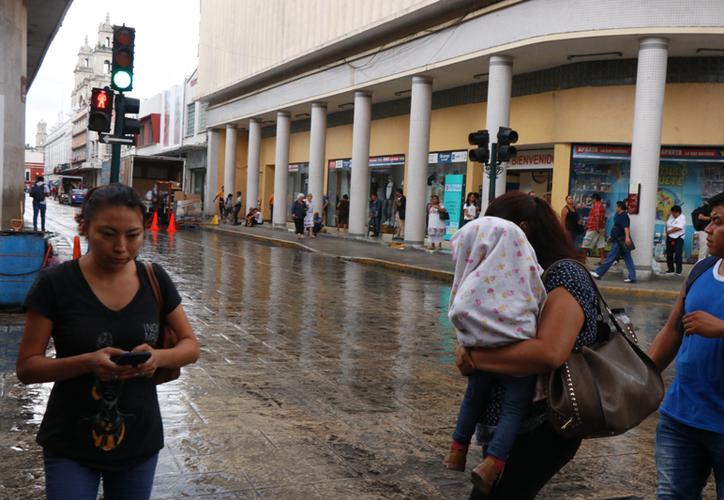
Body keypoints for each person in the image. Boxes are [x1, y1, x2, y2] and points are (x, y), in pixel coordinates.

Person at [16, 183, 200, 500]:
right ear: (83, 226)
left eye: (133, 235)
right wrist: (87, 362)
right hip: (70, 439)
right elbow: (28, 367)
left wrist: (158, 358)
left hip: (139, 440)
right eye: (107, 234)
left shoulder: (155, 279)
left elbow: (190, 346)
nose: (121, 247)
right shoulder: (55, 284)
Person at [454, 191, 599, 498]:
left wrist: (476, 359)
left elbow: (549, 352)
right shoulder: (514, 278)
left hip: (543, 425)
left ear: (520, 230)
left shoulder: (564, 274)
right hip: (509, 427)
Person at [445, 216, 547, 495]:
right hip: (519, 361)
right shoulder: (526, 268)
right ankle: (493, 463)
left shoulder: (473, 279)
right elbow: (541, 300)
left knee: (473, 399)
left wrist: (472, 341)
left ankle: (458, 449)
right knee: (514, 410)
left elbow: (457, 310)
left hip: (482, 354)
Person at [647, 191, 724, 499]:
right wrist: (643, 376)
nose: (707, 229)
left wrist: (721, 328)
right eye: (710, 221)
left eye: (717, 222)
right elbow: (672, 330)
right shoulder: (702, 270)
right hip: (681, 418)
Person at [590, 201, 636, 283]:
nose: (615, 208)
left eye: (616, 206)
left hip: (620, 241)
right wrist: (611, 236)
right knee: (628, 259)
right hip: (618, 239)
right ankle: (632, 277)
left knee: (610, 257)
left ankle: (598, 273)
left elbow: (626, 228)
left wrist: (627, 238)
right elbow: (615, 227)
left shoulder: (623, 216)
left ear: (620, 207)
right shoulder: (618, 215)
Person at [581, 193, 607, 264]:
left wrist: (597, 227)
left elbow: (597, 216)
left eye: (592, 199)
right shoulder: (601, 205)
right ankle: (602, 260)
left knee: (585, 243)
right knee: (601, 244)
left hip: (594, 228)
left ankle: (583, 259)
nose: (591, 200)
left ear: (594, 199)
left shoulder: (596, 205)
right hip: (600, 227)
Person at [665, 204, 686, 276]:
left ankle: (678, 271)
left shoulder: (682, 217)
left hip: (678, 238)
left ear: (678, 212)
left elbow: (679, 228)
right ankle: (670, 269)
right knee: (669, 254)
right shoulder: (671, 216)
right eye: (672, 213)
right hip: (670, 237)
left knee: (678, 254)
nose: (672, 214)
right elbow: (667, 224)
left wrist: (669, 232)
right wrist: (667, 234)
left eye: (674, 213)